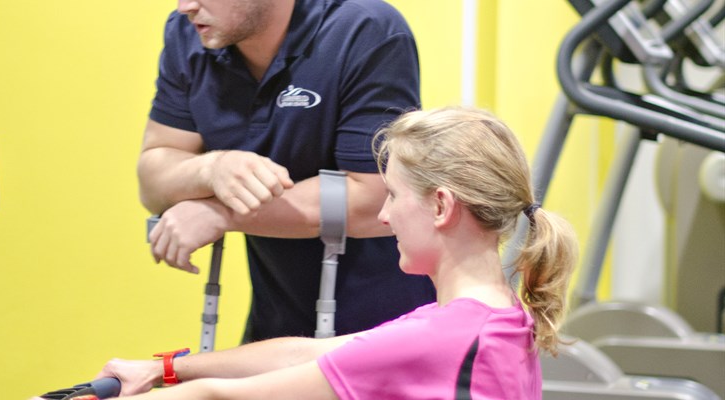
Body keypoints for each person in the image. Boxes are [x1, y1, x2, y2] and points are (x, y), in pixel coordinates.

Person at [82, 106, 579, 399]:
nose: (383, 215)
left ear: (441, 206)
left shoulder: (443, 338)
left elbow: (220, 397)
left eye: (393, 196)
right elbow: (306, 353)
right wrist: (164, 369)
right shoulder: (496, 318)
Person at [141, 0, 436, 342]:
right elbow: (153, 177)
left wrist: (220, 213)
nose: (185, 7)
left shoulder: (366, 29)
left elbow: (373, 199)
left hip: (388, 324)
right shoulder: (189, 34)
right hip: (277, 319)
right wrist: (212, 168)